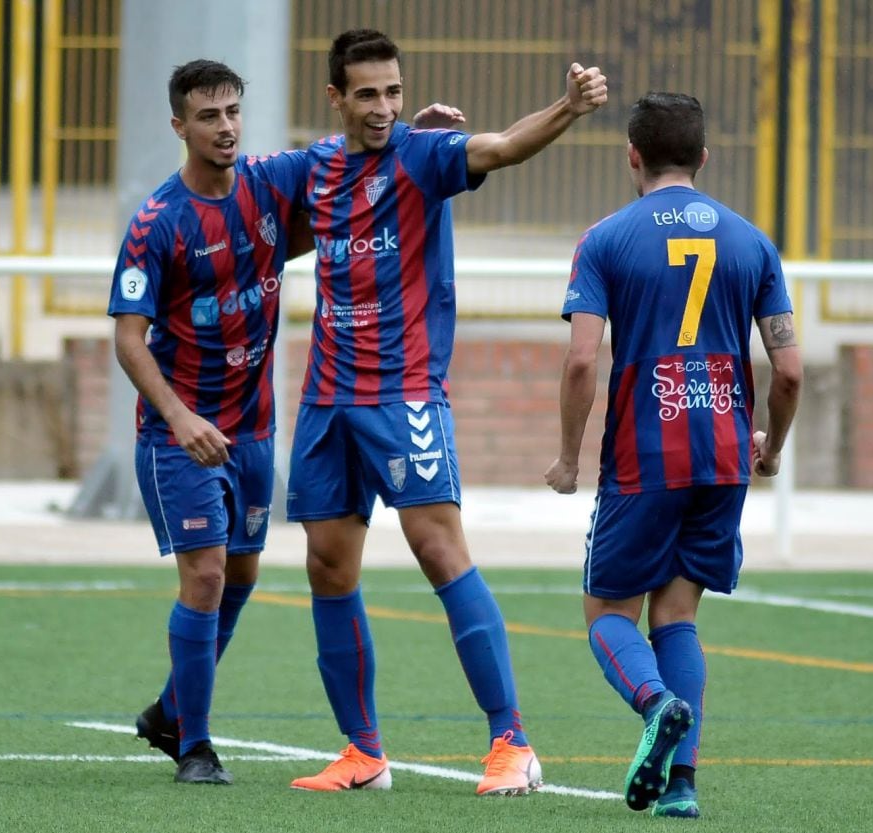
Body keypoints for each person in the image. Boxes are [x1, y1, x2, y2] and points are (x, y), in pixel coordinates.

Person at [110, 59, 469, 786]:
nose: (226, 127)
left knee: (240, 572)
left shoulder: (267, 189)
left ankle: (172, 707)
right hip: (180, 435)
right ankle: (196, 746)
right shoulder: (157, 222)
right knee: (207, 572)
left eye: (233, 111)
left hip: (254, 425)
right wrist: (178, 417)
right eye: (208, 117)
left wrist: (409, 148)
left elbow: (344, 211)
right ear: (180, 126)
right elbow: (126, 336)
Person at [285, 29, 608, 796]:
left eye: (392, 92)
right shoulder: (313, 169)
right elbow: (267, 213)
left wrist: (566, 107)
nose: (383, 107)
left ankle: (512, 742)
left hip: (404, 394)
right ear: (335, 97)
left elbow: (498, 148)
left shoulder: (423, 155)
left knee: (439, 550)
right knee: (328, 566)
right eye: (367, 93)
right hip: (326, 398)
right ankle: (362, 751)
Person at [545, 92, 803, 818]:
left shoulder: (606, 239)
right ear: (704, 156)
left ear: (632, 154)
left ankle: (657, 702)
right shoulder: (753, 242)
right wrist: (772, 447)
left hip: (645, 453)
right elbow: (788, 371)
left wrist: (568, 459)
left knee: (607, 614)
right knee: (679, 613)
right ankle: (682, 786)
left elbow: (579, 363)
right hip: (723, 453)